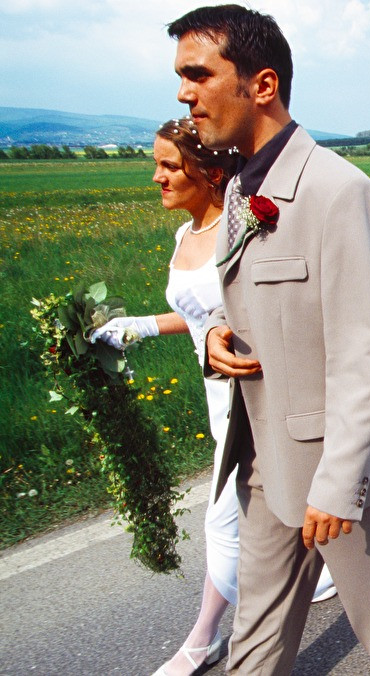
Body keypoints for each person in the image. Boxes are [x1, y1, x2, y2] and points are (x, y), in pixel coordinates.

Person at [168, 6, 370, 674]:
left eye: (199, 74)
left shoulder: (339, 192)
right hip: (260, 459)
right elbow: (250, 305)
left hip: (332, 470)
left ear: (261, 85)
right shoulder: (236, 193)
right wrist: (217, 340)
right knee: (256, 635)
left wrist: (340, 485)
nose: (183, 93)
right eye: (180, 77)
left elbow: (367, 351)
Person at [90, 118, 336, 676]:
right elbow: (199, 310)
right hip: (215, 390)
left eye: (170, 166)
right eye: (157, 165)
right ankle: (317, 567)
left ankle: (202, 641)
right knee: (273, 501)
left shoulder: (244, 223)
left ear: (208, 172)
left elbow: (272, 306)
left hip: (256, 389)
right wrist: (137, 327)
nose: (157, 177)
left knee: (225, 518)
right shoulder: (185, 235)